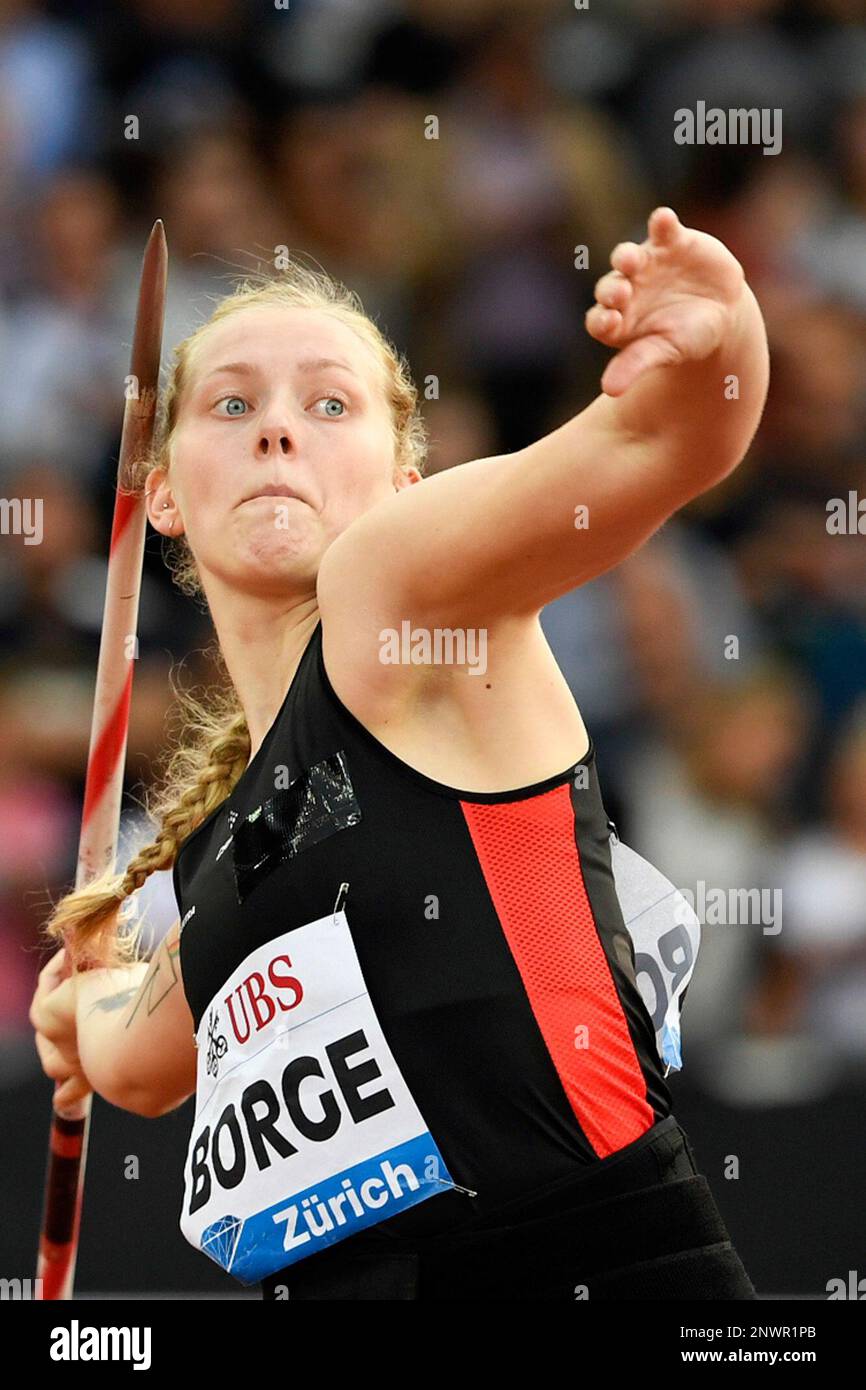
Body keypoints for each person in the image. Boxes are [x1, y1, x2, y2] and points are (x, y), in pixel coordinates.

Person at [31, 207, 766, 1300]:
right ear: (165, 492)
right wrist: (73, 1013)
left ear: (404, 485)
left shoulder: (397, 595)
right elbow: (144, 1059)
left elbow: (657, 443)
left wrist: (720, 341)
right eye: (232, 404)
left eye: (328, 404)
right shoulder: (231, 842)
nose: (277, 430)